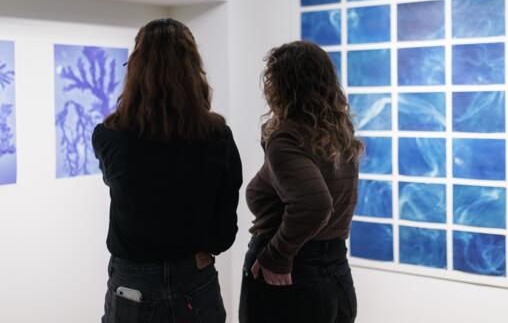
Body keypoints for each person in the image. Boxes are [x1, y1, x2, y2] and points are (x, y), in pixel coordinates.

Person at [93, 18, 242, 323]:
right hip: (194, 277)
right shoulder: (217, 136)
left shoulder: (109, 136)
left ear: (135, 68)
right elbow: (225, 225)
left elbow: (119, 184)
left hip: (132, 284)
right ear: (192, 69)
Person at [240, 41, 362, 323]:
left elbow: (315, 204)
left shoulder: (287, 138)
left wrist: (276, 255)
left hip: (292, 277)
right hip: (336, 273)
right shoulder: (338, 134)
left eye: (270, 78)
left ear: (283, 85)